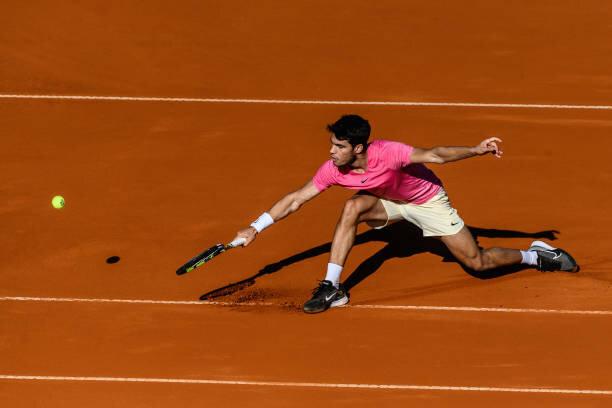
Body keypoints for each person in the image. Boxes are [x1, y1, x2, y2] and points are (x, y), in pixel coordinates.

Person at [233, 115, 579, 314]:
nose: (331, 151)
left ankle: (535, 256)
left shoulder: (389, 152)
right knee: (353, 206)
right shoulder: (334, 169)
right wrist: (254, 228)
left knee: (478, 264)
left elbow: (436, 155)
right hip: (387, 202)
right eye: (332, 145)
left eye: (339, 146)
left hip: (426, 201)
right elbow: (296, 199)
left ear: (358, 148)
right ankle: (332, 287)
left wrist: (475, 150)